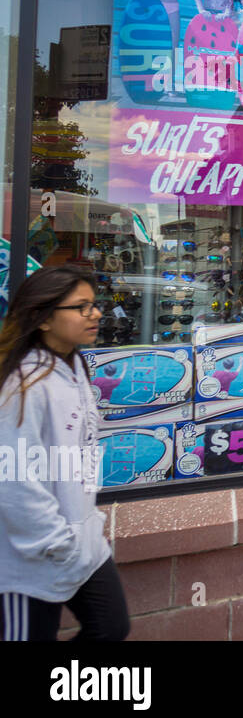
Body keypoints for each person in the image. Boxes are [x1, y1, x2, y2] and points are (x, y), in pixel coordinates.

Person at [0, 266, 129, 641]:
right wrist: (57, 543)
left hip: (82, 542)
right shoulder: (23, 385)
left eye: (94, 305)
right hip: (32, 557)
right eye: (81, 307)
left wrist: (86, 531)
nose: (96, 314)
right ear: (43, 318)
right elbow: (14, 482)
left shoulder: (74, 365)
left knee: (110, 627)